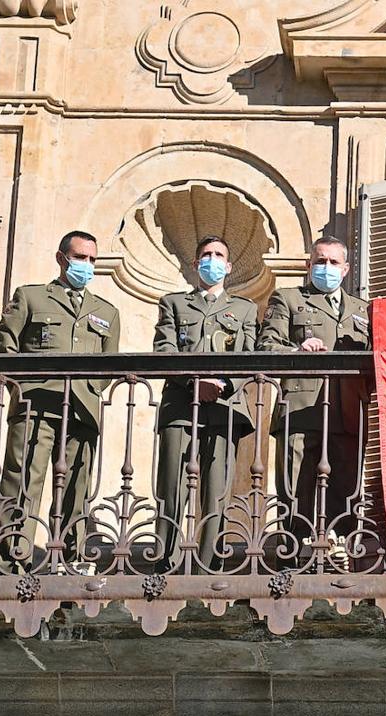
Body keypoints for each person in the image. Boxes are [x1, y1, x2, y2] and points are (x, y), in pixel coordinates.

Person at [0, 231, 121, 572]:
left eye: (93, 260)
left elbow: (109, 364)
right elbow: (5, 349)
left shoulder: (105, 311)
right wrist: (25, 390)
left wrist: (90, 389)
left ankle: (71, 558)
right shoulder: (32, 297)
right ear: (61, 258)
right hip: (36, 405)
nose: (87, 265)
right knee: (23, 478)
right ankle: (12, 558)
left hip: (82, 409)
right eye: (81, 258)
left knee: (76, 484)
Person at [257, 235, 369, 566]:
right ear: (309, 265)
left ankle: (342, 560)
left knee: (346, 488)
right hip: (301, 410)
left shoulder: (362, 309)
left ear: (346, 269)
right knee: (296, 488)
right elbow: (266, 347)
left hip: (348, 411)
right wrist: (296, 351)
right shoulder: (288, 298)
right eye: (320, 262)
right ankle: (292, 561)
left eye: (334, 263)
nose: (326, 268)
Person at [152, 236, 257, 572]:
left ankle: (209, 566)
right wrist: (194, 383)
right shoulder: (173, 303)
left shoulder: (245, 309)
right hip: (180, 408)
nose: (212, 260)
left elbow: (251, 357)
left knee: (216, 492)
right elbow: (164, 351)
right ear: (196, 264)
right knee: (171, 487)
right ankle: (163, 562)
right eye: (206, 255)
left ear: (228, 266)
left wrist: (223, 385)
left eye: (218, 255)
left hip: (225, 410)